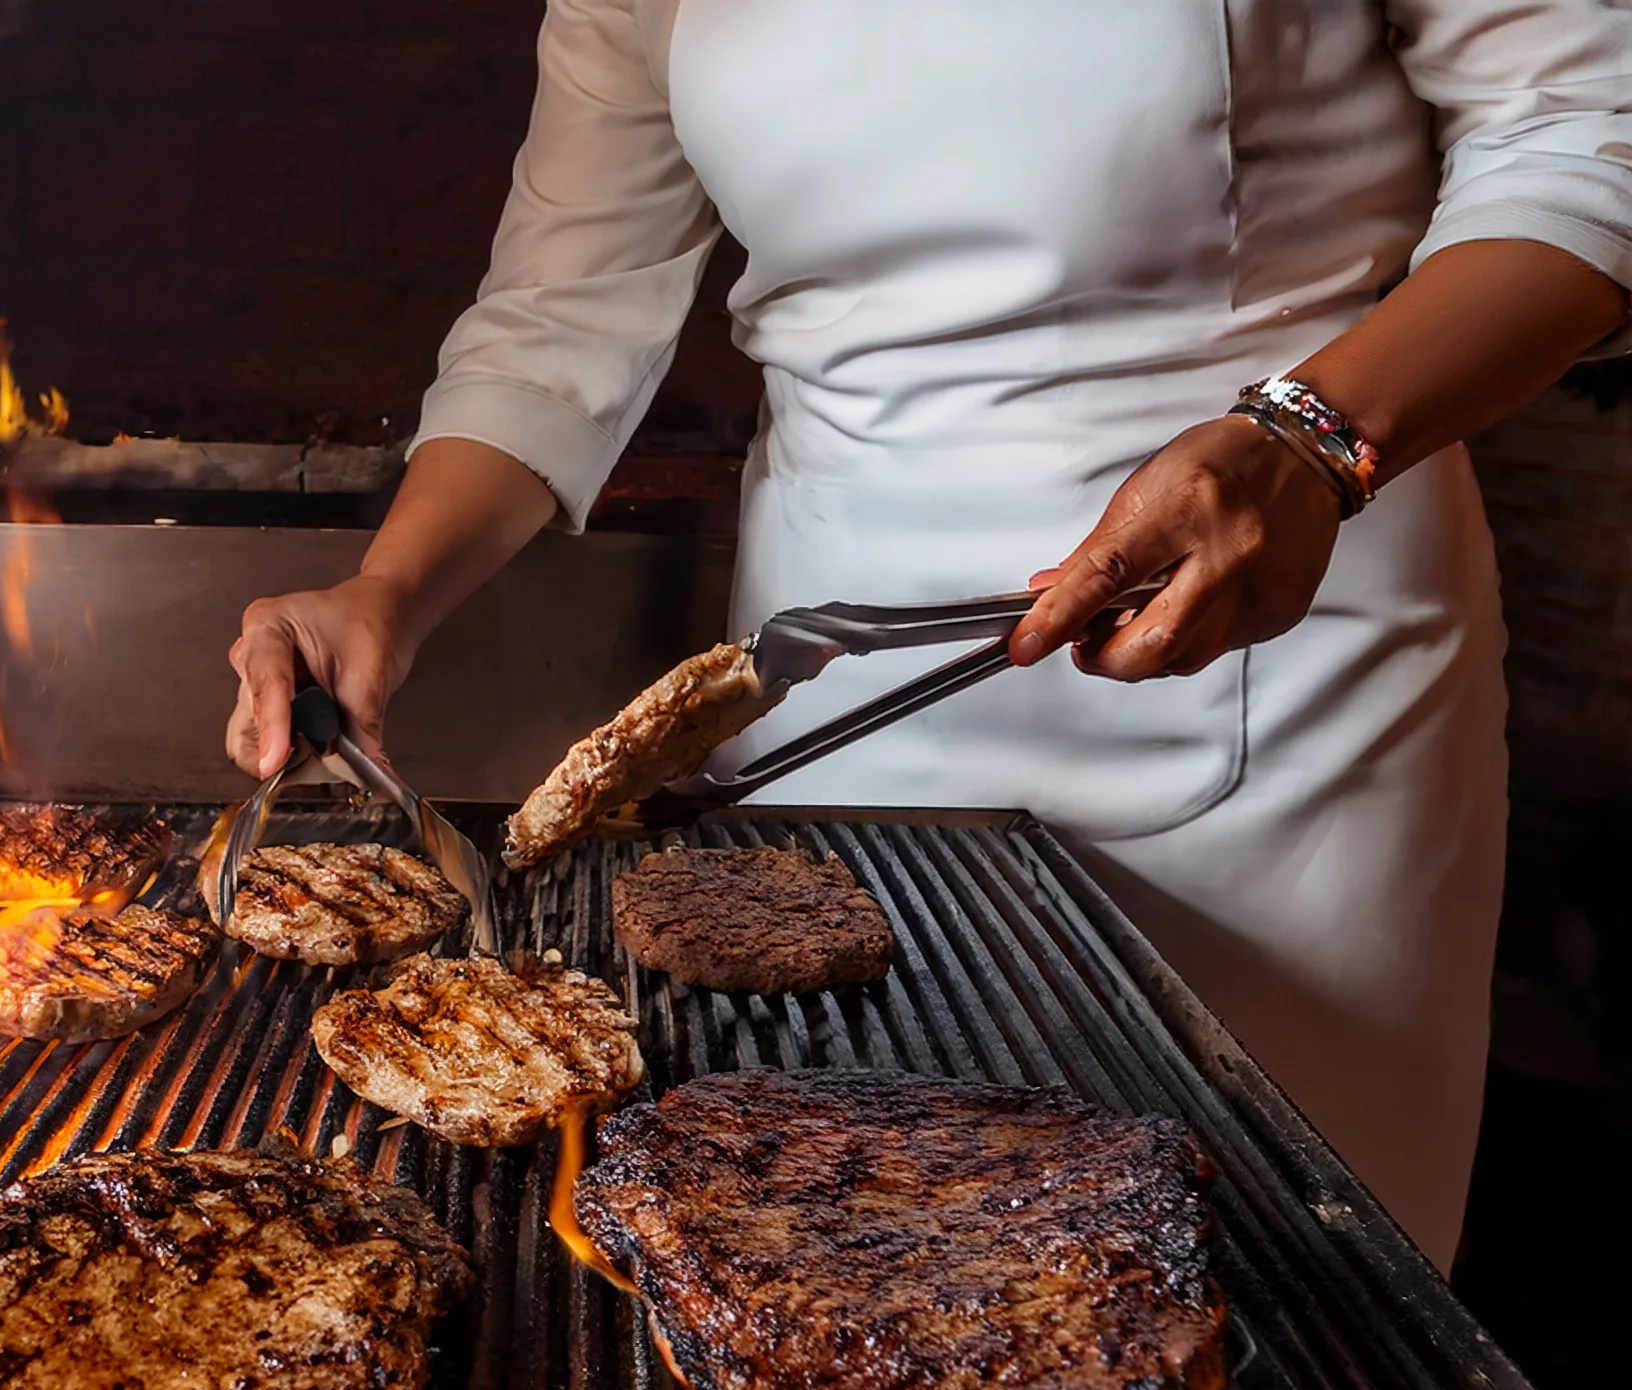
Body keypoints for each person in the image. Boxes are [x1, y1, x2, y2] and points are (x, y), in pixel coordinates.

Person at [223, 0, 1632, 1268]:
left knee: (1277, 1324)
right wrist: (383, 592)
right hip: (833, 692)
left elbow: (1584, 134)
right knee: (859, 1282)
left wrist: (1312, 440)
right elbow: (561, 311)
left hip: (1277, 649)